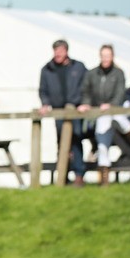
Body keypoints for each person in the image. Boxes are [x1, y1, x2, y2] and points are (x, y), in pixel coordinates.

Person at [78, 44, 130, 185]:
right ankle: (103, 176)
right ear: (100, 56)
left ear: (112, 57)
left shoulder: (118, 73)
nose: (105, 59)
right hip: (101, 113)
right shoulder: (92, 74)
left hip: (115, 111)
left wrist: (112, 105)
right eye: (103, 56)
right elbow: (86, 91)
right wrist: (86, 103)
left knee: (119, 119)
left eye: (108, 56)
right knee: (102, 140)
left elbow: (120, 93)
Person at [39, 39, 89, 185]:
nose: (58, 53)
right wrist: (45, 103)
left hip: (75, 110)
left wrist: (84, 102)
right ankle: (63, 174)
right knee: (61, 143)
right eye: (56, 50)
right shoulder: (47, 69)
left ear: (66, 51)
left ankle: (79, 175)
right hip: (58, 111)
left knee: (76, 140)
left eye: (60, 50)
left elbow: (86, 86)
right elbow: (43, 90)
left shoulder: (78, 67)